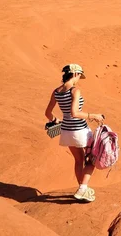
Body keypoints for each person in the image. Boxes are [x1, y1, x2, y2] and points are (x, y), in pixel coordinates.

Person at [44, 64, 104, 202]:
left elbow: (47, 113)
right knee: (92, 159)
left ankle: (82, 189)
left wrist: (56, 120)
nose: (79, 79)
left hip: (66, 131)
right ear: (75, 74)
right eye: (79, 76)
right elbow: (75, 113)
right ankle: (83, 188)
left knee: (78, 160)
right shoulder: (74, 90)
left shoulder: (56, 91)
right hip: (80, 131)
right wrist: (93, 115)